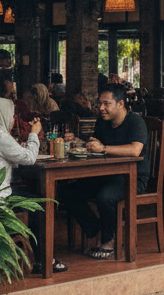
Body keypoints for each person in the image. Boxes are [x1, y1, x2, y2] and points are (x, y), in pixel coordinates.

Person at [0, 97, 66, 273]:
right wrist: (34, 134)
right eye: (11, 115)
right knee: (41, 206)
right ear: (1, 115)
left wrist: (20, 149)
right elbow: (29, 159)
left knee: (31, 193)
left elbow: (4, 159)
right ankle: (43, 260)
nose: (13, 119)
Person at [64, 84, 150, 260]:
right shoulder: (102, 122)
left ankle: (108, 240)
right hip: (107, 175)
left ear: (120, 104)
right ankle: (94, 229)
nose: (101, 108)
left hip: (133, 177)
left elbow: (135, 150)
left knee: (106, 196)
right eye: (99, 103)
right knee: (68, 192)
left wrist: (103, 148)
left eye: (106, 104)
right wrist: (81, 143)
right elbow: (99, 146)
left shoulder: (135, 122)